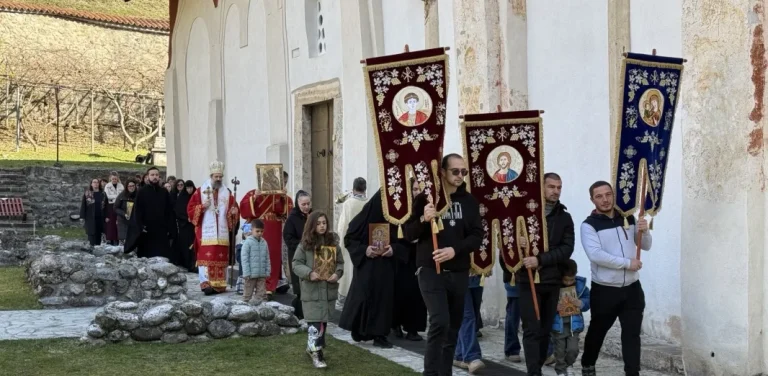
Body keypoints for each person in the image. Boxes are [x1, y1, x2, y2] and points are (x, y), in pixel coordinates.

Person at [403, 153, 484, 376]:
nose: (460, 176)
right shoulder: (425, 199)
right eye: (455, 171)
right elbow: (408, 234)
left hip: (458, 271)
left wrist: (454, 250)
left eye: (463, 172)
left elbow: (477, 236)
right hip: (430, 269)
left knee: (453, 328)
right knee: (439, 320)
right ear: (443, 172)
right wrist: (423, 219)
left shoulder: (469, 201)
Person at [580, 181, 651, 376]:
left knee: (632, 335)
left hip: (632, 289)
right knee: (598, 331)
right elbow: (595, 255)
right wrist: (627, 263)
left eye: (608, 194)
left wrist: (644, 231)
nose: (605, 200)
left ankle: (632, 372)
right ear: (592, 199)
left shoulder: (628, 217)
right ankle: (588, 363)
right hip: (605, 290)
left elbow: (645, 245)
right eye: (599, 196)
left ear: (614, 195)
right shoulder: (589, 225)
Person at [516, 172, 575, 376]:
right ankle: (534, 372)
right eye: (551, 187)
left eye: (559, 187)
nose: (556, 191)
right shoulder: (523, 215)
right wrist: (518, 245)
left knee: (545, 329)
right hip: (528, 280)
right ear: (540, 187)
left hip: (552, 280)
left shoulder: (564, 217)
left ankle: (538, 364)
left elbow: (566, 249)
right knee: (532, 329)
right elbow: (507, 250)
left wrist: (540, 260)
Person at [339, 189, 406, 349]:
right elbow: (350, 238)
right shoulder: (363, 219)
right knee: (364, 298)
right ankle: (360, 330)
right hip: (367, 267)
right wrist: (365, 250)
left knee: (383, 301)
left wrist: (393, 249)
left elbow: (404, 242)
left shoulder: (395, 222)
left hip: (386, 267)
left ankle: (380, 335)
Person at [292, 211, 344, 369]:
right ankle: (316, 352)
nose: (322, 226)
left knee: (323, 323)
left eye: (324, 223)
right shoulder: (305, 244)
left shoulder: (332, 243)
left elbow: (340, 263)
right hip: (312, 291)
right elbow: (296, 264)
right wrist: (309, 273)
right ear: (312, 225)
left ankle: (314, 347)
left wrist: (336, 274)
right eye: (319, 223)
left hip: (327, 290)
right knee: (315, 324)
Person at [186, 161, 240, 295]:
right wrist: (202, 206)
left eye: (220, 177)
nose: (218, 179)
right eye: (216, 177)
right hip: (205, 233)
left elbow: (233, 209)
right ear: (211, 176)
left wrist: (233, 212)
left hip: (221, 233)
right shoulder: (200, 191)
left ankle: (220, 285)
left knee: (220, 257)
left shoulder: (227, 193)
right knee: (206, 258)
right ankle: (206, 284)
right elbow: (190, 210)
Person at [240, 170, 294, 301]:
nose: (283, 185)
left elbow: (289, 212)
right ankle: (259, 286)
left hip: (275, 229)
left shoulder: (283, 197)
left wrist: (283, 198)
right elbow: (243, 208)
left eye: (285, 182)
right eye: (282, 182)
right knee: (258, 256)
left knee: (273, 257)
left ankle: (271, 285)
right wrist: (255, 197)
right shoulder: (254, 192)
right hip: (259, 229)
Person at [391, 179, 427, 341]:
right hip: (402, 255)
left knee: (417, 294)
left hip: (419, 255)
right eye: (414, 189)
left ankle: (413, 328)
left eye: (420, 189)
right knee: (401, 292)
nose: (417, 192)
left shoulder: (426, 208)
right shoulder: (401, 208)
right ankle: (396, 324)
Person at [125, 167, 177, 261]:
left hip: (161, 230)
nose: (155, 177)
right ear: (148, 177)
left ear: (159, 177)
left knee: (163, 257)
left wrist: (170, 228)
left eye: (156, 175)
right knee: (146, 257)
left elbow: (169, 211)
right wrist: (140, 226)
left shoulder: (164, 192)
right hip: (147, 230)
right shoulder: (142, 191)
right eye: (152, 175)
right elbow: (137, 211)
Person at [552, 259, 590, 376]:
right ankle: (561, 370)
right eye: (566, 280)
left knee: (573, 350)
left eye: (571, 280)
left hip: (574, 325)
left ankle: (568, 365)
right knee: (559, 350)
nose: (569, 283)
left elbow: (588, 300)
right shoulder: (553, 287)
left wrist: (580, 303)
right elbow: (545, 302)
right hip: (559, 324)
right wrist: (554, 307)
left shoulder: (581, 286)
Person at [335, 177, 369, 308]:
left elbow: (342, 226)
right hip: (364, 244)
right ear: (365, 188)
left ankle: (346, 295)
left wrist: (342, 241)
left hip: (350, 242)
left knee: (349, 267)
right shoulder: (368, 202)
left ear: (354, 188)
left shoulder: (348, 203)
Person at [283, 190, 311, 319]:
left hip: (312, 256)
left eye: (308, 204)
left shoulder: (313, 215)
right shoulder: (292, 218)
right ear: (298, 203)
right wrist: (302, 244)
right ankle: (300, 314)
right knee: (299, 286)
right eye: (303, 204)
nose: (306, 207)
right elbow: (288, 238)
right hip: (297, 255)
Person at [453, 272, 486, 374]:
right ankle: (472, 357)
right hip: (458, 274)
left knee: (474, 315)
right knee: (467, 316)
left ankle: (458, 355)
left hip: (477, 276)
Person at [241, 219, 270, 304]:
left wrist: (267, 271)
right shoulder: (247, 243)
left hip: (261, 274)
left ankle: (258, 310)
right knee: (247, 295)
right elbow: (244, 258)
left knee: (261, 294)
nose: (260, 233)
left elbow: (267, 258)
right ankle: (243, 309)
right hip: (250, 275)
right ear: (252, 230)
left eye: (261, 231)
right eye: (257, 231)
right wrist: (246, 273)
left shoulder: (264, 243)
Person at [174, 180, 197, 272]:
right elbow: (178, 210)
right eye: (187, 188)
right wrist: (186, 218)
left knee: (194, 245)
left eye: (191, 187)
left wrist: (194, 218)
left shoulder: (195, 197)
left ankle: (193, 264)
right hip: (184, 226)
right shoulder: (182, 197)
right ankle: (186, 263)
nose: (189, 190)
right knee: (185, 245)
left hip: (194, 226)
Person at [79, 178, 106, 247]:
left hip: (100, 216)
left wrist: (107, 216)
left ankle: (98, 247)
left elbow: (106, 205)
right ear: (91, 184)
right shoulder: (87, 193)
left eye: (97, 182)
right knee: (91, 232)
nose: (96, 184)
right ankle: (91, 247)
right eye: (94, 182)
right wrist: (82, 216)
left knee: (99, 232)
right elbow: (83, 205)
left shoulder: (103, 193)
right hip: (90, 216)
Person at [114, 179, 137, 246]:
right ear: (126, 187)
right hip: (123, 221)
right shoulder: (122, 195)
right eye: (129, 186)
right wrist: (124, 214)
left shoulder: (138, 195)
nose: (131, 187)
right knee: (123, 240)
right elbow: (115, 208)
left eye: (133, 186)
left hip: (134, 220)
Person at [104, 172, 124, 246]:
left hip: (119, 205)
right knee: (111, 223)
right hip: (111, 206)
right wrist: (117, 196)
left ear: (117, 178)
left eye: (115, 179)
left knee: (118, 223)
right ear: (110, 179)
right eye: (113, 179)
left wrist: (116, 197)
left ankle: (118, 239)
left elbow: (122, 195)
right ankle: (111, 239)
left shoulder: (121, 186)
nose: (114, 180)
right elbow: (108, 196)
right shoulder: (107, 186)